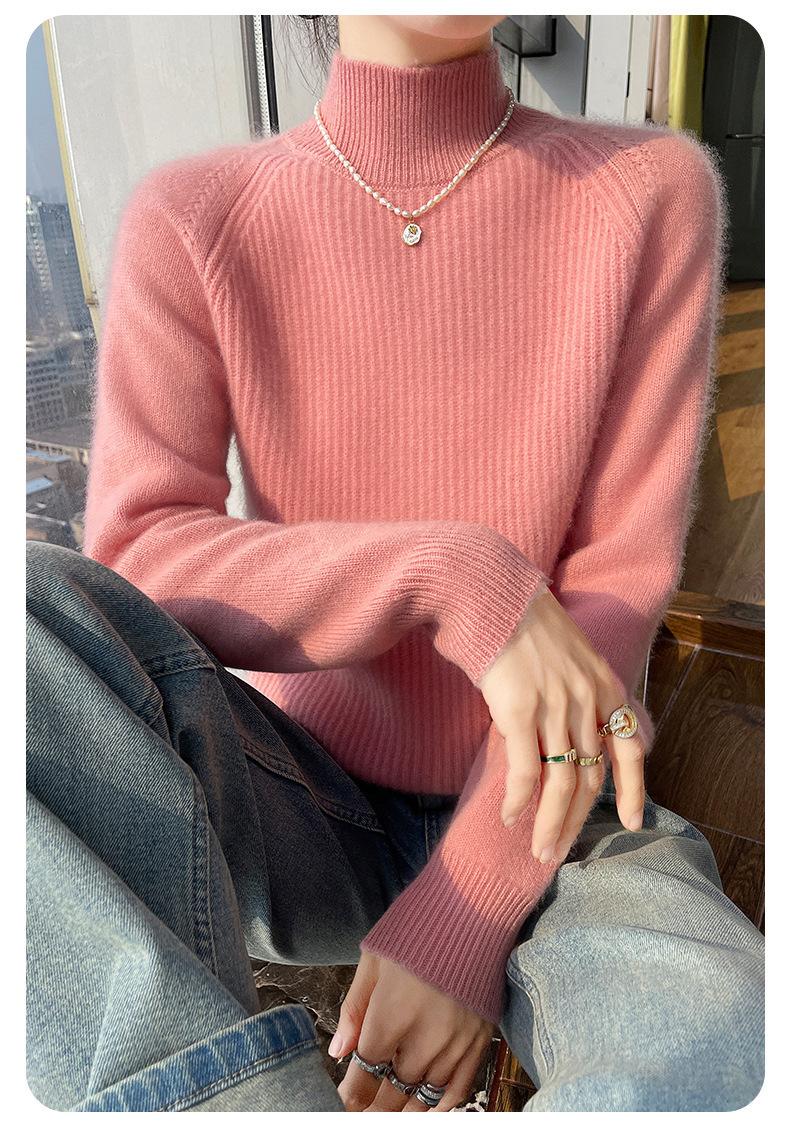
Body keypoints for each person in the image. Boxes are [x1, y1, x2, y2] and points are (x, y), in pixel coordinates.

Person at [26, 12, 764, 1113]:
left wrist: (463, 910)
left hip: (559, 804)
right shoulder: (194, 215)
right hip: (298, 797)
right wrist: (453, 576)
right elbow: (142, 555)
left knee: (714, 1046)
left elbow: (620, 580)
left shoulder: (650, 191)